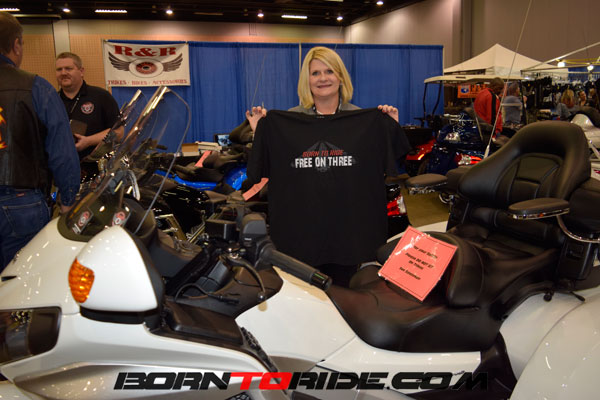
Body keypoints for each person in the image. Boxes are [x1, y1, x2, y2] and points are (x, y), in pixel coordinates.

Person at [245, 46, 409, 286]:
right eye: (315, 73)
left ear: (340, 76)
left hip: (349, 234)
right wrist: (261, 132)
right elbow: (267, 167)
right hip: (303, 233)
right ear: (307, 80)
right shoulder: (289, 121)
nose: (323, 78)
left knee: (344, 294)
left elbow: (388, 167)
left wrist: (390, 129)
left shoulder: (364, 120)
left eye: (329, 71)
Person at [0, 12, 80, 270]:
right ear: (16, 44)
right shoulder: (36, 87)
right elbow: (62, 152)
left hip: (21, 201)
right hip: (22, 202)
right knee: (23, 281)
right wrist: (68, 201)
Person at [55, 52, 120, 159]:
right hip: (61, 164)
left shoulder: (101, 96)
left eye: (68, 68)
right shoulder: (51, 101)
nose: (63, 73)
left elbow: (119, 132)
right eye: (59, 69)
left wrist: (88, 141)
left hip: (96, 165)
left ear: (81, 71)